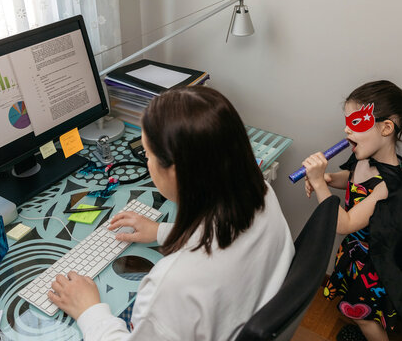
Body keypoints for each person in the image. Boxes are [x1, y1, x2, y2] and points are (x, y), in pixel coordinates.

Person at [47, 86, 294, 340]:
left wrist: (89, 310)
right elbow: (223, 237)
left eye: (148, 155)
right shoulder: (260, 192)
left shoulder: (172, 285)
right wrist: (163, 231)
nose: (147, 164)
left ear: (175, 172)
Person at [301, 69, 402, 341]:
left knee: (364, 319)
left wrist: (319, 184)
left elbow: (344, 224)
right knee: (358, 312)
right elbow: (354, 181)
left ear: (386, 128)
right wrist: (330, 178)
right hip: (356, 254)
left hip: (374, 264)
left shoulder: (388, 186)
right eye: (347, 121)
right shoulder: (363, 158)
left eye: (356, 122)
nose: (346, 129)